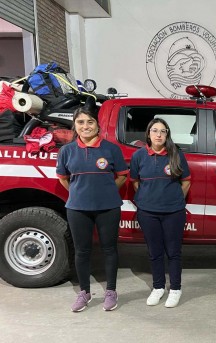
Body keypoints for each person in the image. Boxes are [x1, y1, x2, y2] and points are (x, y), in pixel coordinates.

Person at [56, 104, 128, 312]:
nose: (85, 126)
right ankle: (84, 292)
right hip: (77, 208)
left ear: (98, 125)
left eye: (90, 122)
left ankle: (111, 291)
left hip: (108, 207)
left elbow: (122, 175)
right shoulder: (66, 151)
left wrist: (107, 190)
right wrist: (78, 193)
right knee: (82, 251)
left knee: (109, 250)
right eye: (80, 122)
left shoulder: (111, 149)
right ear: (75, 126)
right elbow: (63, 178)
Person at [130, 118, 191, 308]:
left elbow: (186, 181)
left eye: (163, 131)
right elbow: (135, 182)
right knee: (154, 252)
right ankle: (158, 287)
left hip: (173, 212)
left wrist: (173, 199)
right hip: (148, 213)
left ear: (167, 135)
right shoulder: (139, 156)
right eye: (155, 130)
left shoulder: (176, 154)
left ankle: (175, 289)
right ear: (148, 134)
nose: (158, 135)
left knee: (173, 252)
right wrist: (147, 199)